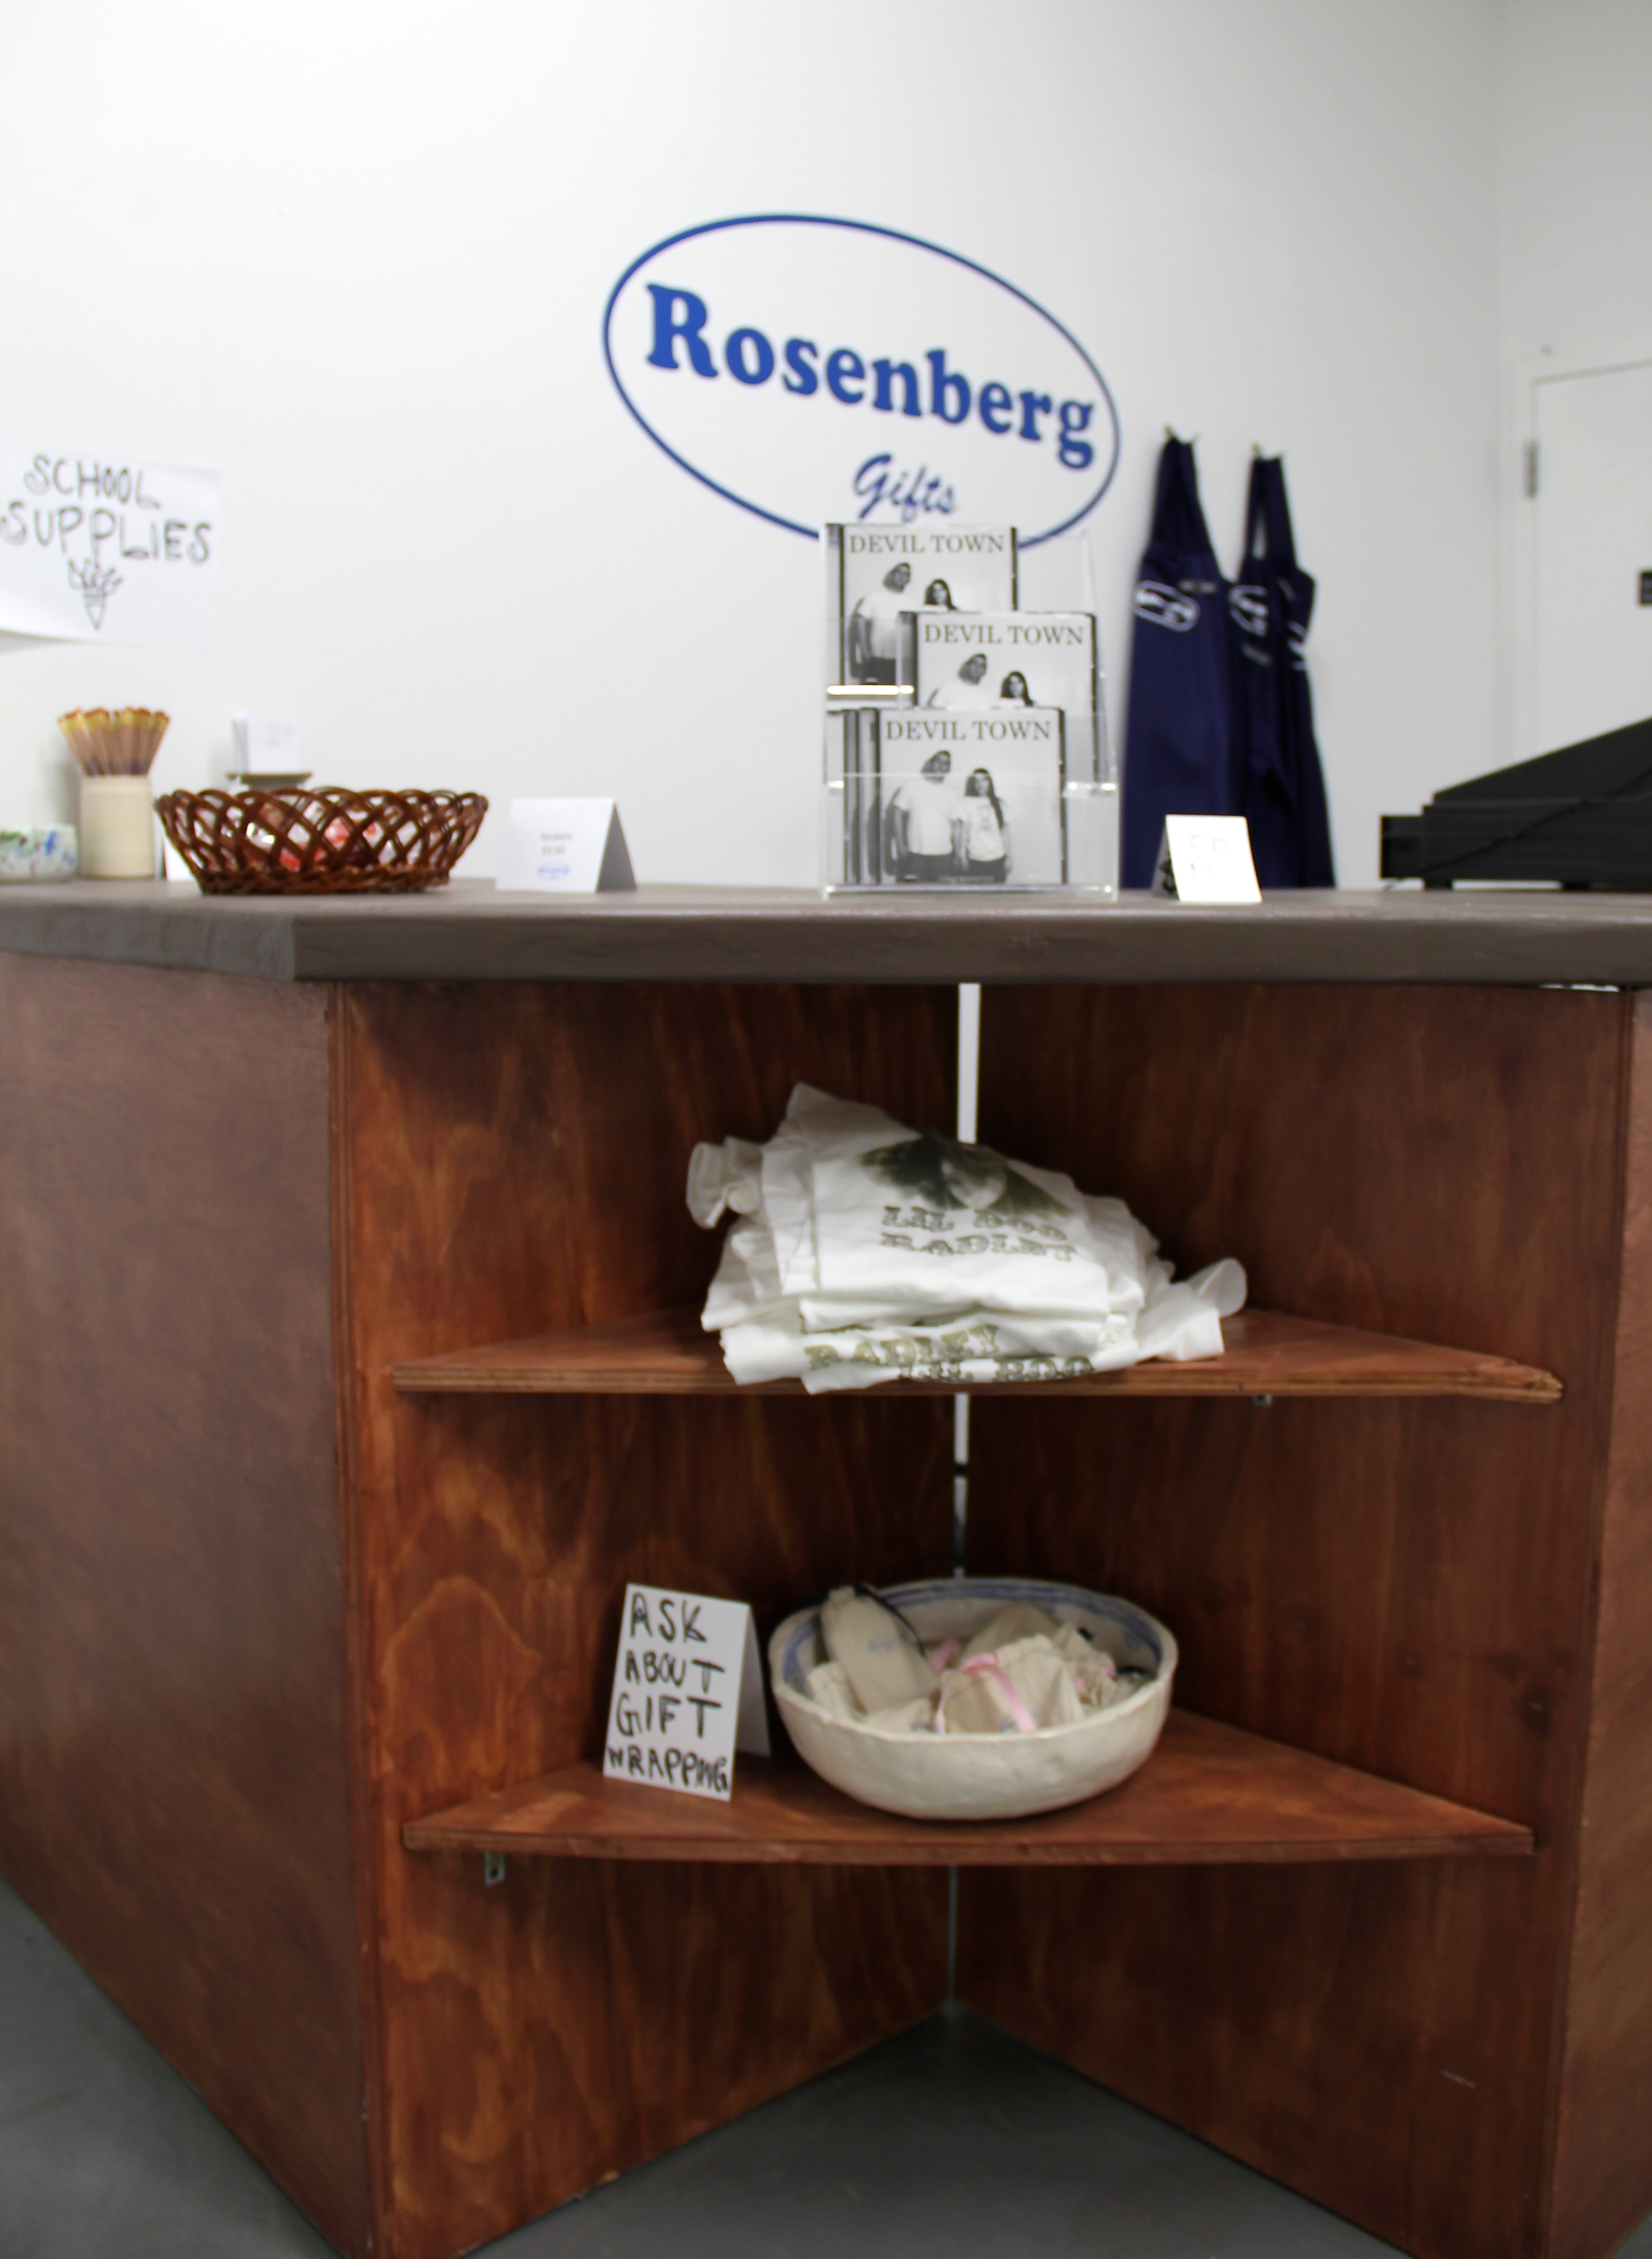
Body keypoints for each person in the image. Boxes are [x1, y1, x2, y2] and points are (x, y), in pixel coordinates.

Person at [883, 749, 961, 881]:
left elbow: (956, 826)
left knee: (942, 893)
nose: (941, 766)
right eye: (938, 762)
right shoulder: (912, 787)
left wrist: (959, 853)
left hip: (943, 855)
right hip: (915, 854)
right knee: (914, 893)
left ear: (949, 769)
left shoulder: (952, 794)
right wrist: (900, 846)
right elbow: (897, 815)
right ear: (931, 764)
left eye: (946, 764)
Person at [847, 561, 911, 684]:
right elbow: (859, 623)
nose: (902, 577)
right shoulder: (874, 597)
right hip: (877, 659)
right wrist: (864, 653)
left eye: (906, 575)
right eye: (899, 573)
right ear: (892, 575)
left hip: (902, 662)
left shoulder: (911, 603)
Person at [961, 768, 1009, 883]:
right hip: (976, 858)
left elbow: (1005, 833)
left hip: (997, 857)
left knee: (997, 893)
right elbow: (964, 833)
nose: (980, 785)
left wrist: (1009, 858)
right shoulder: (967, 803)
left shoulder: (1000, 804)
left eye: (984, 780)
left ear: (990, 782)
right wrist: (962, 856)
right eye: (976, 781)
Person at [924, 649, 990, 707]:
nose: (977, 668)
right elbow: (934, 714)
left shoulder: (987, 698)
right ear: (967, 666)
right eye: (974, 664)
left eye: (981, 666)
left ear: (984, 671)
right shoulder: (947, 689)